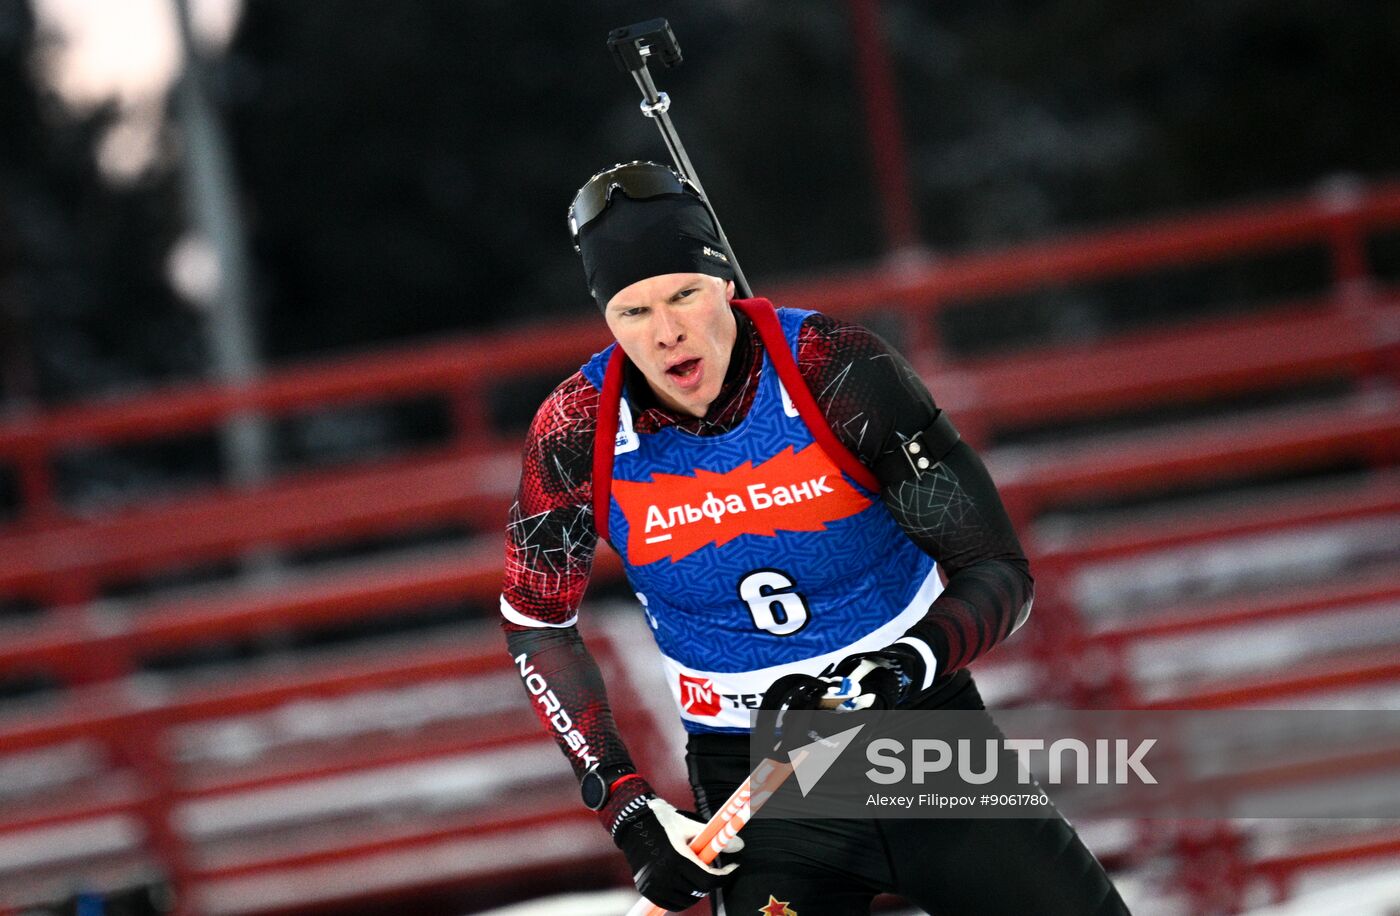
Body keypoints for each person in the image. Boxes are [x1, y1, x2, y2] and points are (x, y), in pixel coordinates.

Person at [500, 161, 1128, 914]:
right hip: (757, 784)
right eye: (633, 313)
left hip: (920, 741)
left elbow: (996, 569)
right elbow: (537, 623)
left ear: (724, 282)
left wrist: (904, 665)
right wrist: (628, 808)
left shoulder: (832, 368)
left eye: (683, 295)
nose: (666, 334)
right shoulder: (578, 429)